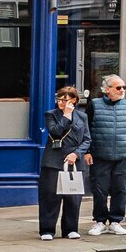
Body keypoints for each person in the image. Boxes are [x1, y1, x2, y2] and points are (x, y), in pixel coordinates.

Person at [37, 85, 92, 240]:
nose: (60, 102)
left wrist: (77, 153)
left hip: (74, 161)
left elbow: (87, 139)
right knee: (50, 196)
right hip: (54, 160)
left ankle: (70, 229)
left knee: (73, 197)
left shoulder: (82, 117)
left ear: (74, 100)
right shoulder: (51, 115)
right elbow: (55, 131)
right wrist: (66, 116)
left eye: (64, 99)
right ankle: (47, 230)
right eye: (59, 99)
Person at [84, 75, 126, 236]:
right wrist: (87, 151)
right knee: (100, 189)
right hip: (100, 154)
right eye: (118, 88)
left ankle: (115, 221)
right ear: (107, 89)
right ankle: (99, 221)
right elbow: (85, 129)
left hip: (123, 154)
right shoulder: (94, 105)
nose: (122, 91)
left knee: (121, 189)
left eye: (124, 88)